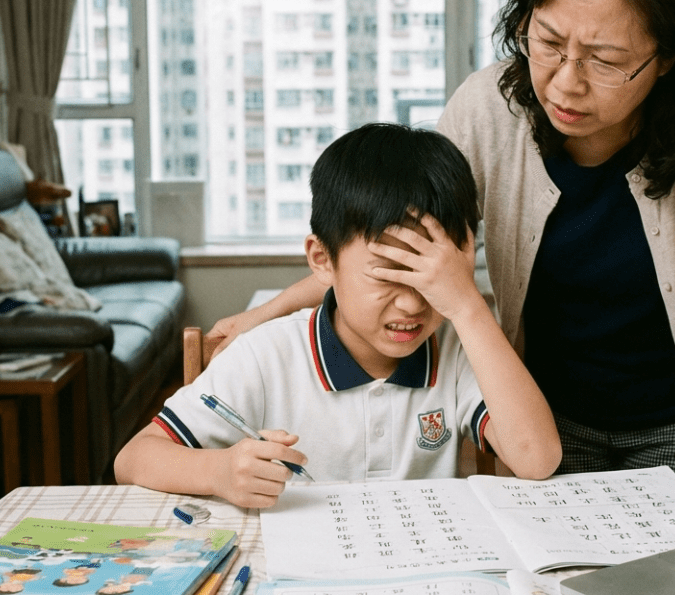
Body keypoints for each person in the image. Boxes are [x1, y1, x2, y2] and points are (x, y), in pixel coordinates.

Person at [206, 0, 675, 521]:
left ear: (670, 58)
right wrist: (269, 312)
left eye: (605, 61)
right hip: (547, 417)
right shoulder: (491, 107)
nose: (565, 82)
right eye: (547, 41)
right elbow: (401, 243)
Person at [114, 124, 561, 508]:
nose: (411, 305)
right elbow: (133, 459)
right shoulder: (266, 356)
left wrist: (466, 305)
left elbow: (537, 460)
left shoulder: (460, 349)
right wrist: (219, 471)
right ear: (322, 260)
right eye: (387, 277)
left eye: (432, 280)